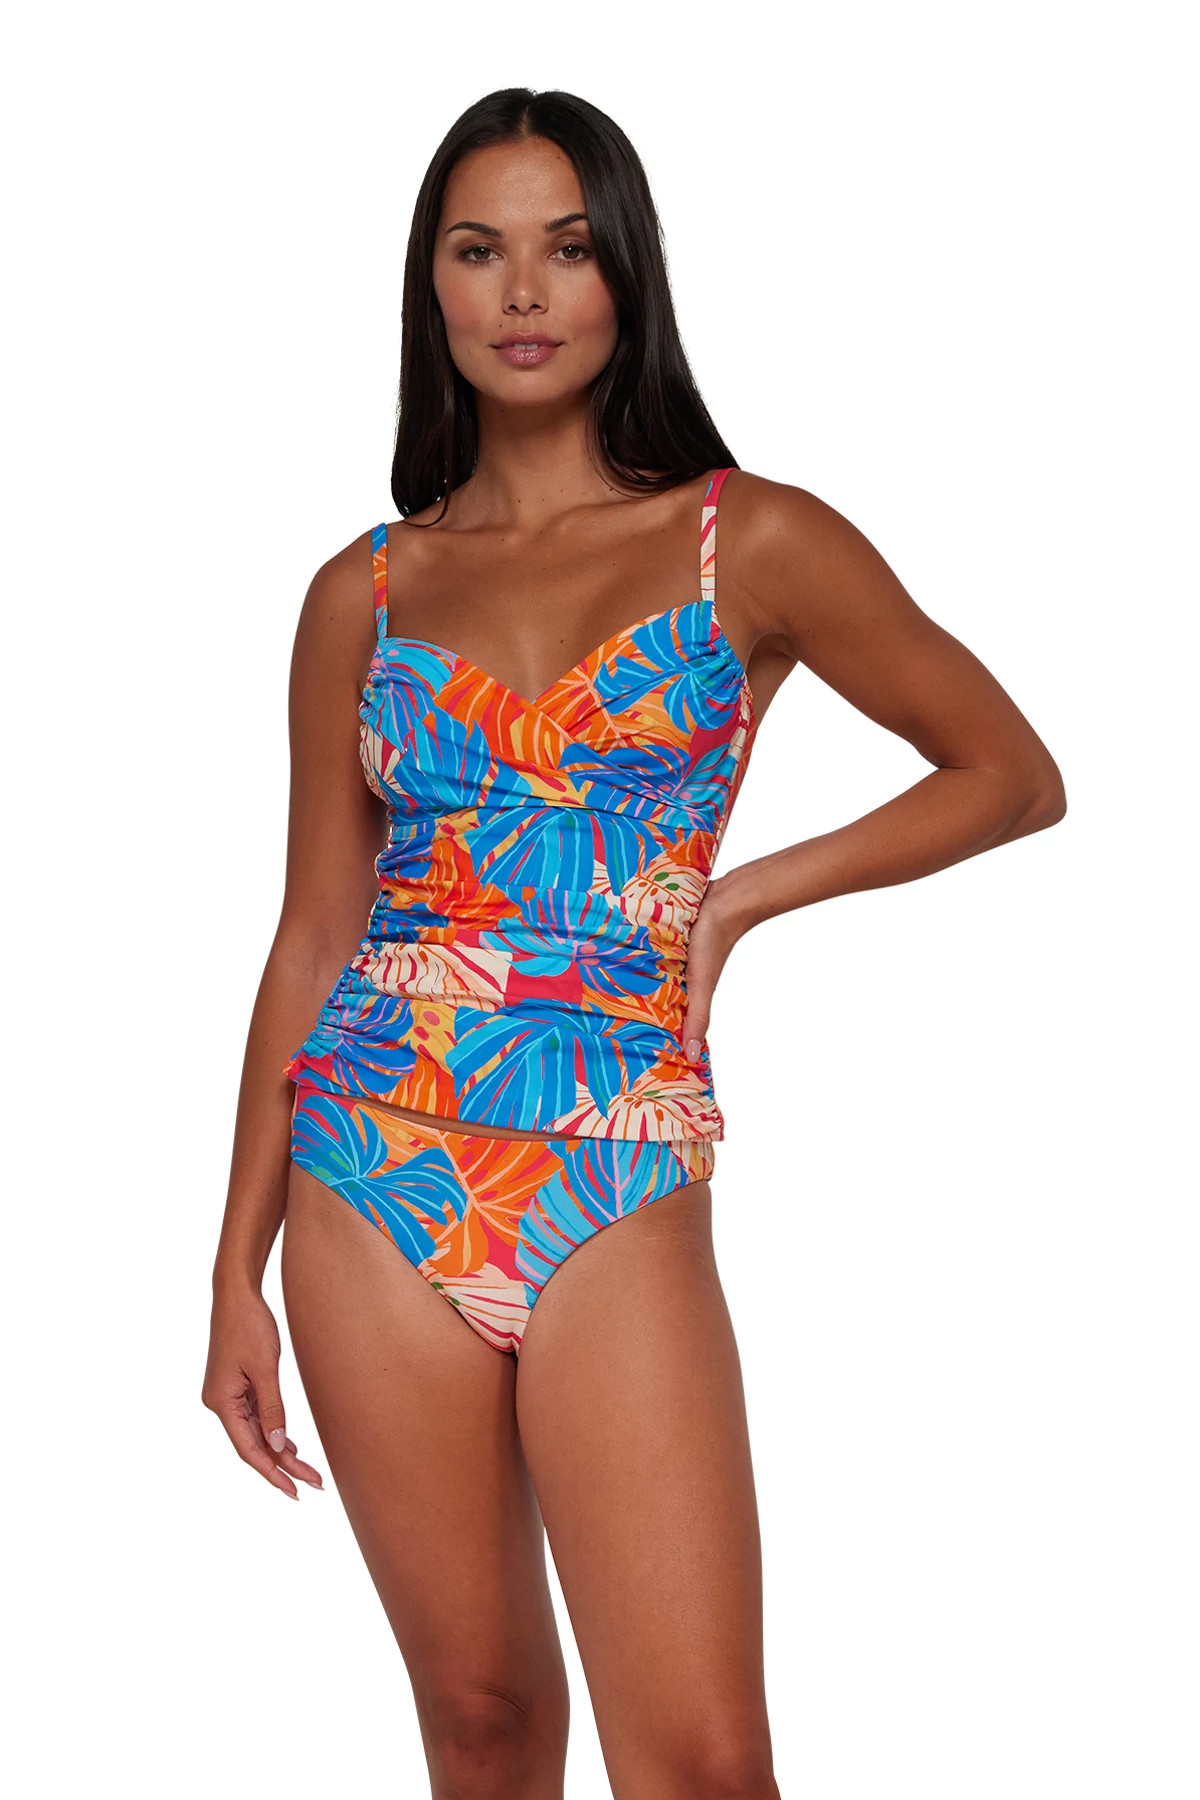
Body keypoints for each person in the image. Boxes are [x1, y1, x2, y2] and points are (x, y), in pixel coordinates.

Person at [203, 87, 1065, 1800]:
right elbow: (313, 929)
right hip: (367, 1164)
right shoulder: (362, 593)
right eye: (480, 251)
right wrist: (235, 1265)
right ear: (432, 286)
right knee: (482, 1725)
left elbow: (1011, 774)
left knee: (706, 1764)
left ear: (626, 279)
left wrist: (739, 899)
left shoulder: (750, 539)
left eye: (568, 248)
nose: (524, 292)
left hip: (617, 1158)